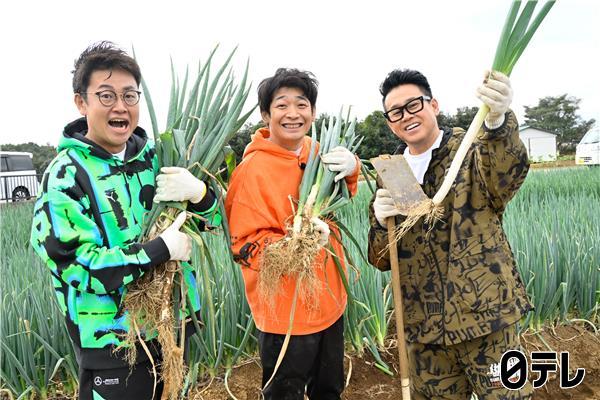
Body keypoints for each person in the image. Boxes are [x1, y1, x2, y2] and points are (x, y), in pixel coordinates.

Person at [30, 41, 220, 400]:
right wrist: (158, 250)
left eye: (130, 96)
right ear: (81, 102)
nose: (121, 107)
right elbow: (79, 267)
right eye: (106, 95)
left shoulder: (158, 159)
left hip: (172, 330)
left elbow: (214, 223)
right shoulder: (66, 176)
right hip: (113, 345)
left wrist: (201, 194)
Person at [368, 69, 533, 399]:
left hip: (487, 323)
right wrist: (378, 220)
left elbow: (505, 174)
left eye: (414, 105)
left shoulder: (469, 149)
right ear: (390, 123)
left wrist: (498, 119)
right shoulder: (392, 173)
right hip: (425, 334)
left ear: (434, 105)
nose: (406, 116)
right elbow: (382, 259)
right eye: (396, 112)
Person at [225, 68, 360, 400]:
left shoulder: (318, 153)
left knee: (329, 390)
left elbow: (341, 196)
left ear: (313, 113)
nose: (293, 114)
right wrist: (298, 242)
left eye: (302, 105)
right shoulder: (250, 171)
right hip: (285, 315)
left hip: (329, 301)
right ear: (265, 114)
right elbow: (243, 244)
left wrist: (353, 166)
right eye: (282, 105)